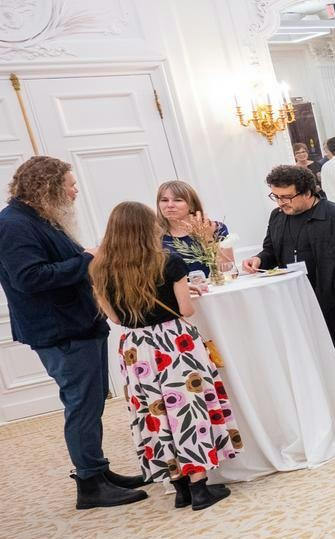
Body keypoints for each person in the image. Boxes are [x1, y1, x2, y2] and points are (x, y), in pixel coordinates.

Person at [0, 158, 148, 509]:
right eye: (69, 183)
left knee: (92, 401)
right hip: (60, 330)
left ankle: (98, 469)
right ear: (47, 187)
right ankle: (90, 484)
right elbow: (30, 278)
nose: (75, 189)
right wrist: (87, 258)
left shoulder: (38, 219)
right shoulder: (13, 225)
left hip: (78, 324)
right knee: (81, 404)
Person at [91, 201, 240, 510]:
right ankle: (200, 487)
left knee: (156, 413)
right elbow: (186, 310)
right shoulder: (168, 262)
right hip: (173, 342)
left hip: (136, 348)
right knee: (187, 409)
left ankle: (179, 488)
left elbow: (115, 319)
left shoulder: (99, 268)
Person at [241, 164, 335, 431]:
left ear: (307, 192)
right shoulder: (277, 216)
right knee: (314, 356)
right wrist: (258, 258)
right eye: (276, 196)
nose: (281, 202)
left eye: (286, 197)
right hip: (298, 301)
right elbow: (270, 249)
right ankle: (328, 406)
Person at [157, 181, 230, 274]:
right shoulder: (154, 237)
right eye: (164, 200)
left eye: (178, 200)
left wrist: (208, 238)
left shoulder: (216, 228)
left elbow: (228, 271)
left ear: (191, 204)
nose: (170, 205)